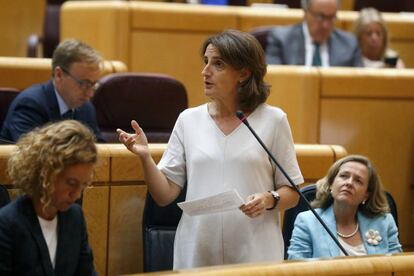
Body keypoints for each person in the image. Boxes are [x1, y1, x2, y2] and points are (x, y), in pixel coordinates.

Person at [117, 30, 303, 269]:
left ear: (244, 73)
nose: (205, 71)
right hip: (197, 251)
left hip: (256, 251)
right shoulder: (188, 120)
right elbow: (164, 195)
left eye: (218, 64)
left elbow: (293, 191)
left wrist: (269, 199)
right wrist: (145, 158)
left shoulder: (273, 120)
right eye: (206, 62)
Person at [0, 120, 98, 275]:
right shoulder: (7, 224)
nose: (77, 194)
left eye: (83, 185)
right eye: (71, 183)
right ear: (46, 173)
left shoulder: (75, 217)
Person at [288, 155, 402, 259]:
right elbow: (296, 268)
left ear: (366, 194)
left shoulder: (384, 222)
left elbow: (398, 268)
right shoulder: (308, 221)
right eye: (344, 176)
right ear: (331, 184)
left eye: (358, 180)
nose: (349, 183)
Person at [0, 39, 104, 143]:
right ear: (59, 75)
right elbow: (31, 154)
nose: (90, 93)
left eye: (93, 84)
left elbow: (99, 149)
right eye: (83, 83)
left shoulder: (86, 108)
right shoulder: (30, 105)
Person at [266, 0, 362, 67]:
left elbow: (358, 85)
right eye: (320, 17)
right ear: (305, 12)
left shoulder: (349, 44)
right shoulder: (281, 40)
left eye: (331, 17)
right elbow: (275, 81)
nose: (326, 25)